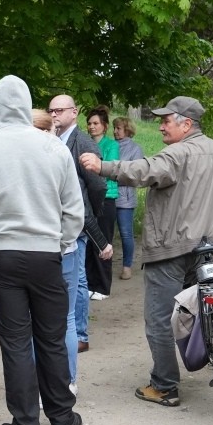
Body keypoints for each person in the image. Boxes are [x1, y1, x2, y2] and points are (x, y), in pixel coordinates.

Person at [80, 96, 213, 407]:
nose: (161, 125)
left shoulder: (177, 153)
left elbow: (144, 171)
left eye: (167, 120)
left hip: (171, 247)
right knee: (200, 308)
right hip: (207, 246)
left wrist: (103, 167)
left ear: (187, 124)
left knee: (158, 318)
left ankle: (165, 385)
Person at [0, 75, 86, 425]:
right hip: (46, 252)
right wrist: (58, 245)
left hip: (0, 255)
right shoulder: (53, 148)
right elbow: (73, 212)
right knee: (51, 336)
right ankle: (62, 416)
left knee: (14, 341)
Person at [49, 94, 110, 353]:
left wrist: (90, 216)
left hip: (80, 222)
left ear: (74, 112)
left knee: (80, 278)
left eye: (59, 110)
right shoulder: (53, 140)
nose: (54, 115)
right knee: (71, 277)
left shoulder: (82, 141)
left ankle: (80, 334)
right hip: (60, 223)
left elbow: (97, 185)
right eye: (51, 110)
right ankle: (71, 331)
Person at [33, 107, 81, 394]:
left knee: (31, 321)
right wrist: (65, 243)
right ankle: (68, 382)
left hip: (35, 249)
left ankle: (39, 385)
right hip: (63, 249)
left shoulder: (18, 163)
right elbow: (76, 209)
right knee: (67, 318)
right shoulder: (61, 157)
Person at [85, 106, 119, 300]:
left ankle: (103, 286)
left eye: (96, 123)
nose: (92, 127)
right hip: (90, 197)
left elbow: (109, 169)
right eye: (89, 123)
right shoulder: (86, 142)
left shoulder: (111, 145)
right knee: (90, 242)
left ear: (104, 126)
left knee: (103, 241)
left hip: (107, 197)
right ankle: (90, 282)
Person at [111, 116, 144, 281]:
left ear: (127, 129)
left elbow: (136, 174)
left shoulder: (135, 149)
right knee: (106, 233)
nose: (115, 131)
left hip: (125, 198)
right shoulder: (110, 145)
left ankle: (127, 266)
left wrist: (114, 173)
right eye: (114, 128)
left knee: (126, 233)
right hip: (108, 196)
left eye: (119, 128)